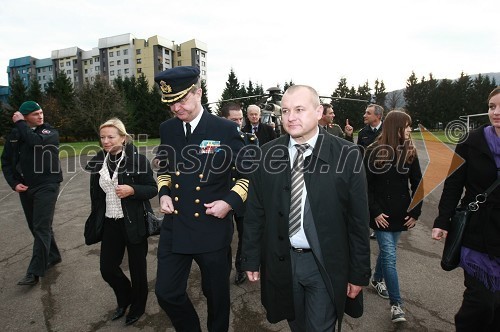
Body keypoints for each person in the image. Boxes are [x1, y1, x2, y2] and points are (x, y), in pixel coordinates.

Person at [241, 85, 371, 331]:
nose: (291, 117)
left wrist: (359, 273)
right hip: (282, 262)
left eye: (299, 109)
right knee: (297, 324)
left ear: (318, 111)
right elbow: (255, 213)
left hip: (324, 263)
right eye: (286, 111)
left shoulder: (347, 154)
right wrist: (249, 258)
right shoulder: (266, 154)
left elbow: (358, 220)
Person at [153, 66, 249, 332]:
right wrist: (163, 194)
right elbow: (164, 169)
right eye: (171, 103)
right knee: (166, 293)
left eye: (182, 100)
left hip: (211, 227)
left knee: (216, 296)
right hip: (175, 227)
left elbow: (248, 175)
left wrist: (229, 202)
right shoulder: (168, 129)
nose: (176, 109)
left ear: (199, 93)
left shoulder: (225, 129)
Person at [432, 86, 500, 331]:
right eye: (492, 106)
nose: (496, 112)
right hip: (476, 231)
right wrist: (442, 221)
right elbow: (453, 184)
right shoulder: (471, 141)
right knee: (480, 302)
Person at [85, 118, 157, 326]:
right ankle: (125, 297)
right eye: (102, 137)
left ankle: (138, 306)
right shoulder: (98, 161)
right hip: (110, 223)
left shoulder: (138, 160)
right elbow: (96, 195)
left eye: (110, 137)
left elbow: (152, 188)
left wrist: (133, 190)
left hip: (134, 222)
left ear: (123, 138)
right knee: (107, 268)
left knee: (137, 269)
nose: (105, 141)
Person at [364, 110, 422, 323]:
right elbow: (366, 186)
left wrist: (415, 211)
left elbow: (418, 183)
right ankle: (397, 305)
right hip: (381, 215)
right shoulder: (372, 151)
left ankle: (377, 278)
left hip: (401, 214)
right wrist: (375, 211)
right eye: (407, 125)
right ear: (396, 127)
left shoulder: (410, 151)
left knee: (388, 253)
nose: (409, 129)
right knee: (389, 255)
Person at [1, 101, 62, 286]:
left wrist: (19, 123)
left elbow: (35, 142)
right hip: (26, 187)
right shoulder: (16, 135)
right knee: (36, 227)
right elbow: (6, 161)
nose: (40, 116)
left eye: (41, 112)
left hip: (47, 185)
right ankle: (53, 255)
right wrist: (14, 183)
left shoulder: (49, 132)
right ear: (26, 116)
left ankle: (34, 272)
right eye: (35, 114)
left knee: (40, 227)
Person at [219, 101, 259, 285]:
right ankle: (223, 269)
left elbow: (253, 169)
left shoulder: (250, 139)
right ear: (223, 120)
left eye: (240, 119)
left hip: (242, 194)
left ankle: (241, 268)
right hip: (221, 196)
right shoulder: (213, 141)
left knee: (245, 234)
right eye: (233, 119)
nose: (238, 123)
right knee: (223, 236)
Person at [357, 103, 384, 240]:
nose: (364, 115)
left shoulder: (388, 130)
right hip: (367, 173)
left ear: (378, 116)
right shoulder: (362, 133)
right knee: (366, 198)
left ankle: (379, 225)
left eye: (368, 113)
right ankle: (368, 225)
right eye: (365, 112)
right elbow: (358, 154)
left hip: (384, 175)